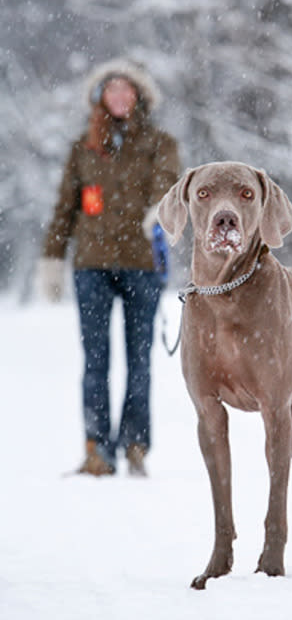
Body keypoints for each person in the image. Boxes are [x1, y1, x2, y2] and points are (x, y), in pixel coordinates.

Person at [38, 59, 180, 477]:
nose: (119, 95)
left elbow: (168, 181)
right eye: (111, 89)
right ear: (100, 97)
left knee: (140, 359)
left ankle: (134, 444)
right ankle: (97, 450)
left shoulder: (159, 143)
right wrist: (52, 257)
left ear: (139, 96)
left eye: (126, 88)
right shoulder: (83, 148)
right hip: (92, 266)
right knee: (95, 360)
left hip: (142, 264)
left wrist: (159, 209)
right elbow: (65, 207)